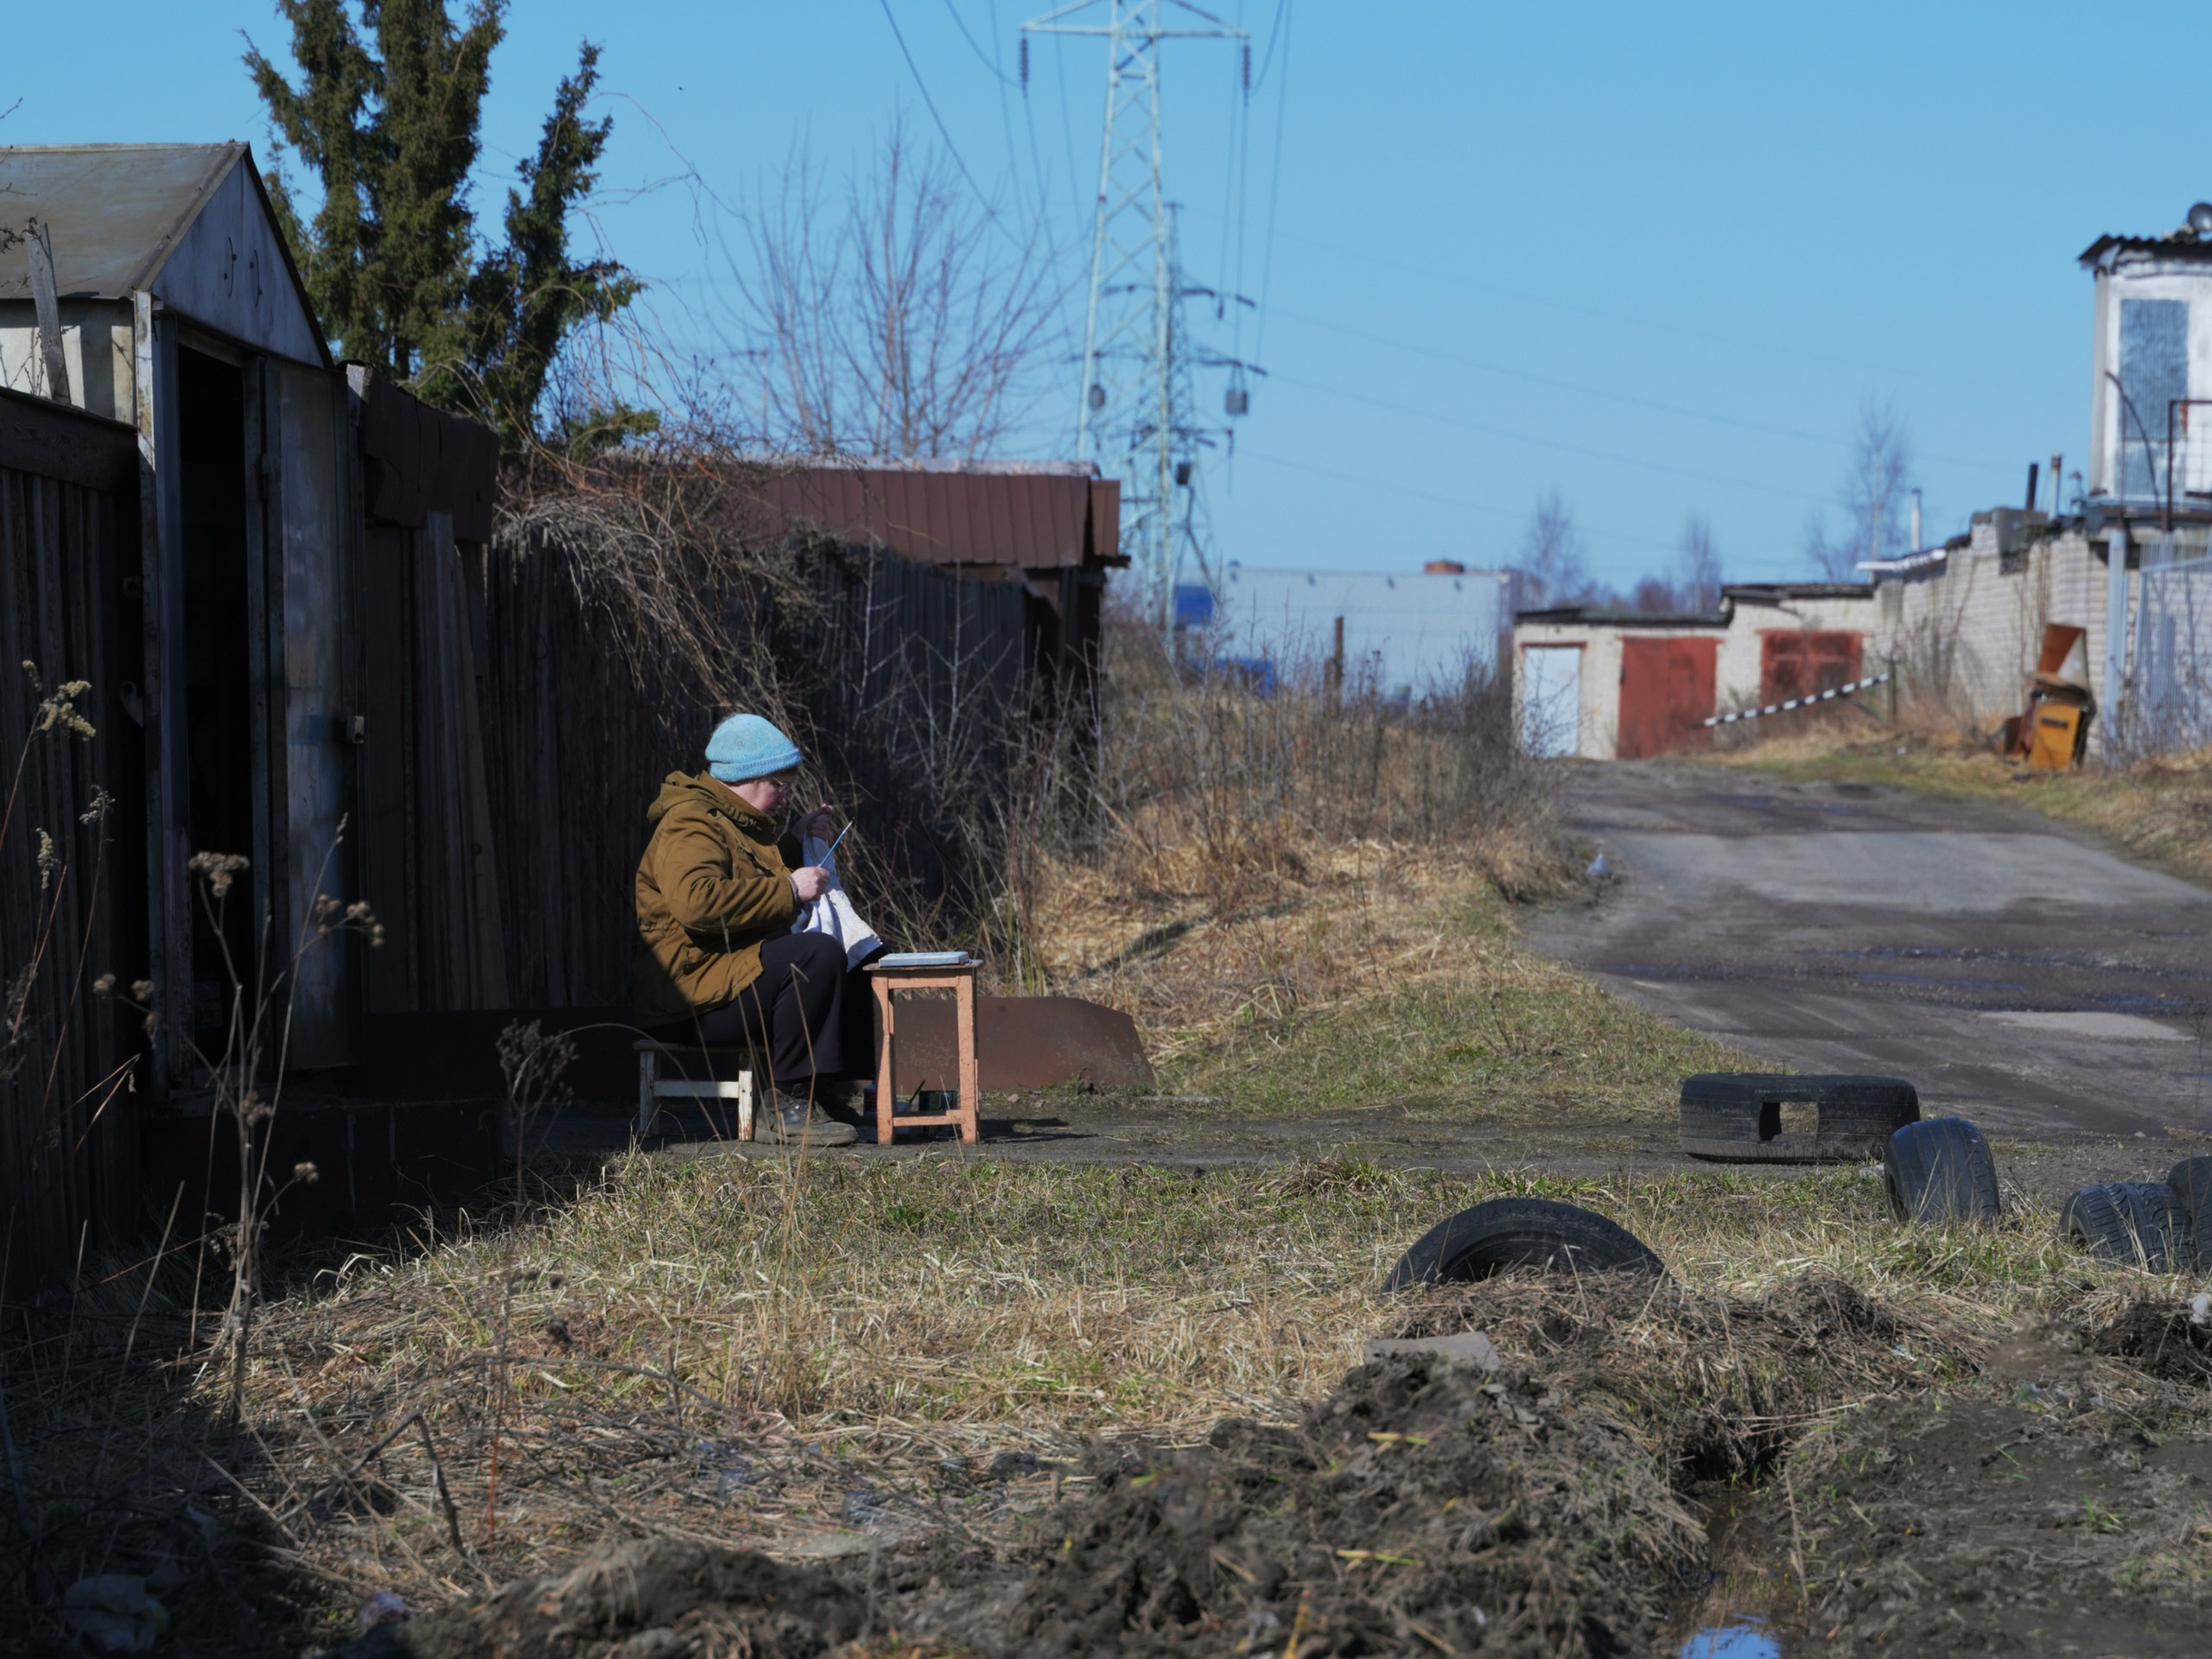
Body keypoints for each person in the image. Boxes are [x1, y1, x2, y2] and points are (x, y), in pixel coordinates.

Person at [632, 713, 861, 1147]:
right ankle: (787, 1106)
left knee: (846, 956)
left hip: (720, 981)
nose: (785, 796)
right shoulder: (691, 823)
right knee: (815, 955)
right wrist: (791, 888)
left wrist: (793, 844)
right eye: (781, 784)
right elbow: (698, 902)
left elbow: (744, 880)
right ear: (749, 777)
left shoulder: (733, 825)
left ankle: (819, 1093)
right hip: (689, 998)